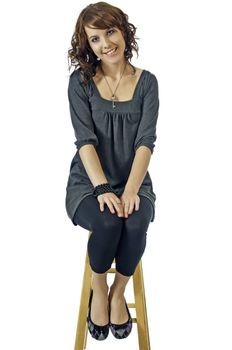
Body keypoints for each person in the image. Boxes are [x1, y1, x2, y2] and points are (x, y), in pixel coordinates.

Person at [65, 1, 159, 341]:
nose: (105, 43)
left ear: (123, 30)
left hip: (134, 181)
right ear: (86, 45)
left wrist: (131, 190)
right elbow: (85, 142)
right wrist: (104, 189)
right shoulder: (82, 83)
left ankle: (118, 291)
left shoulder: (148, 83)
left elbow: (145, 143)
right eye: (94, 39)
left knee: (134, 221)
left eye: (110, 31)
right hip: (88, 184)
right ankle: (99, 282)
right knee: (107, 221)